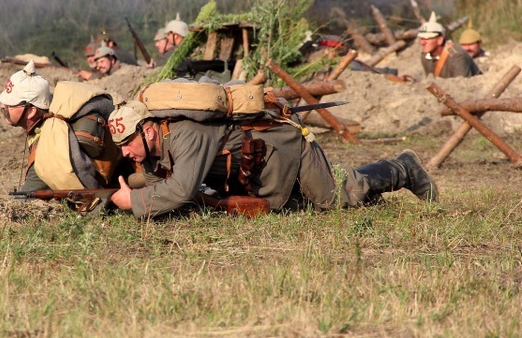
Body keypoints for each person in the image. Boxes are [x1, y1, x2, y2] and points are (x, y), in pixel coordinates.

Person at [107, 100, 438, 219]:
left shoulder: (186, 134)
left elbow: (179, 190)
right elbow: (162, 191)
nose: (124, 153)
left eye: (126, 143)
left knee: (335, 196)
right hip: (258, 170)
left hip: (281, 148)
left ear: (148, 131)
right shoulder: (149, 152)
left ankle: (403, 169)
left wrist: (133, 200)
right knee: (296, 207)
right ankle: (372, 197)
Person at [0, 62, 122, 198]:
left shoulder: (47, 145)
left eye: (10, 105)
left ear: (31, 112)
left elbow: (26, 195)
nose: (2, 106)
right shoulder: (49, 118)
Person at [418, 12, 481, 78]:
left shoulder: (457, 57)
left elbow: (462, 84)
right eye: (422, 38)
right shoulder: (425, 57)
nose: (423, 42)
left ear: (440, 40)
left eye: (428, 39)